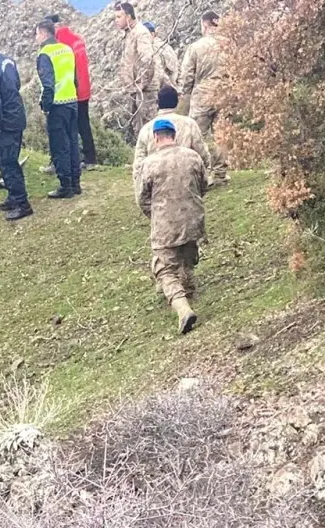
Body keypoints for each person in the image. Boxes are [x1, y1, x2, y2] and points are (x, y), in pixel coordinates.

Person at [137, 118, 207, 334]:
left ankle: (183, 309)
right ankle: (188, 287)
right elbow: (203, 185)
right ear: (173, 135)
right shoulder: (193, 157)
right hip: (194, 220)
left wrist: (156, 214)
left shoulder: (150, 163)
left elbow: (142, 198)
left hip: (166, 224)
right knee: (187, 256)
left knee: (164, 269)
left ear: (156, 137)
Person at [0, 32, 32, 221]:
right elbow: (16, 84)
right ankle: (12, 197)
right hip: (17, 114)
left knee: (8, 163)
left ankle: (22, 203)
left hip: (6, 121)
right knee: (4, 158)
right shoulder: (8, 61)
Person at [178, 9, 228, 183]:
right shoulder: (229, 44)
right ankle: (221, 174)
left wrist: (185, 93)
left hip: (202, 95)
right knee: (221, 134)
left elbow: (187, 75)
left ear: (204, 24)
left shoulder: (196, 47)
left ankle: (200, 174)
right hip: (225, 93)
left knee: (196, 134)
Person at [132, 83, 208, 194]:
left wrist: (141, 192)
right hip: (187, 184)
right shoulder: (190, 124)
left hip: (158, 187)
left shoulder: (147, 129)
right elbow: (202, 155)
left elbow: (139, 165)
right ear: (176, 102)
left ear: (158, 103)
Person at [36, 19, 81, 198]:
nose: (36, 38)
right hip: (72, 101)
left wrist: (46, 106)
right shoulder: (67, 49)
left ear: (44, 34)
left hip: (57, 104)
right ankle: (76, 183)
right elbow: (74, 77)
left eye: (37, 34)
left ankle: (65, 186)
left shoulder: (45, 54)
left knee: (59, 146)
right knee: (73, 143)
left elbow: (48, 85)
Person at [50, 15, 95, 168]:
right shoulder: (77, 39)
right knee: (84, 124)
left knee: (65, 127)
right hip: (84, 89)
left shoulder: (60, 44)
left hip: (71, 90)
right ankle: (90, 158)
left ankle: (63, 160)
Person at [114, 1, 157, 138]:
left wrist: (142, 84)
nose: (116, 21)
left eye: (118, 17)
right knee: (138, 129)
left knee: (148, 129)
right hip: (134, 89)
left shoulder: (140, 33)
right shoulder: (128, 33)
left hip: (145, 91)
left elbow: (148, 59)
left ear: (128, 16)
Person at [142, 20, 180, 87]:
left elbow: (157, 75)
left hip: (161, 90)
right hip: (173, 88)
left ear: (152, 34)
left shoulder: (153, 49)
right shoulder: (167, 47)